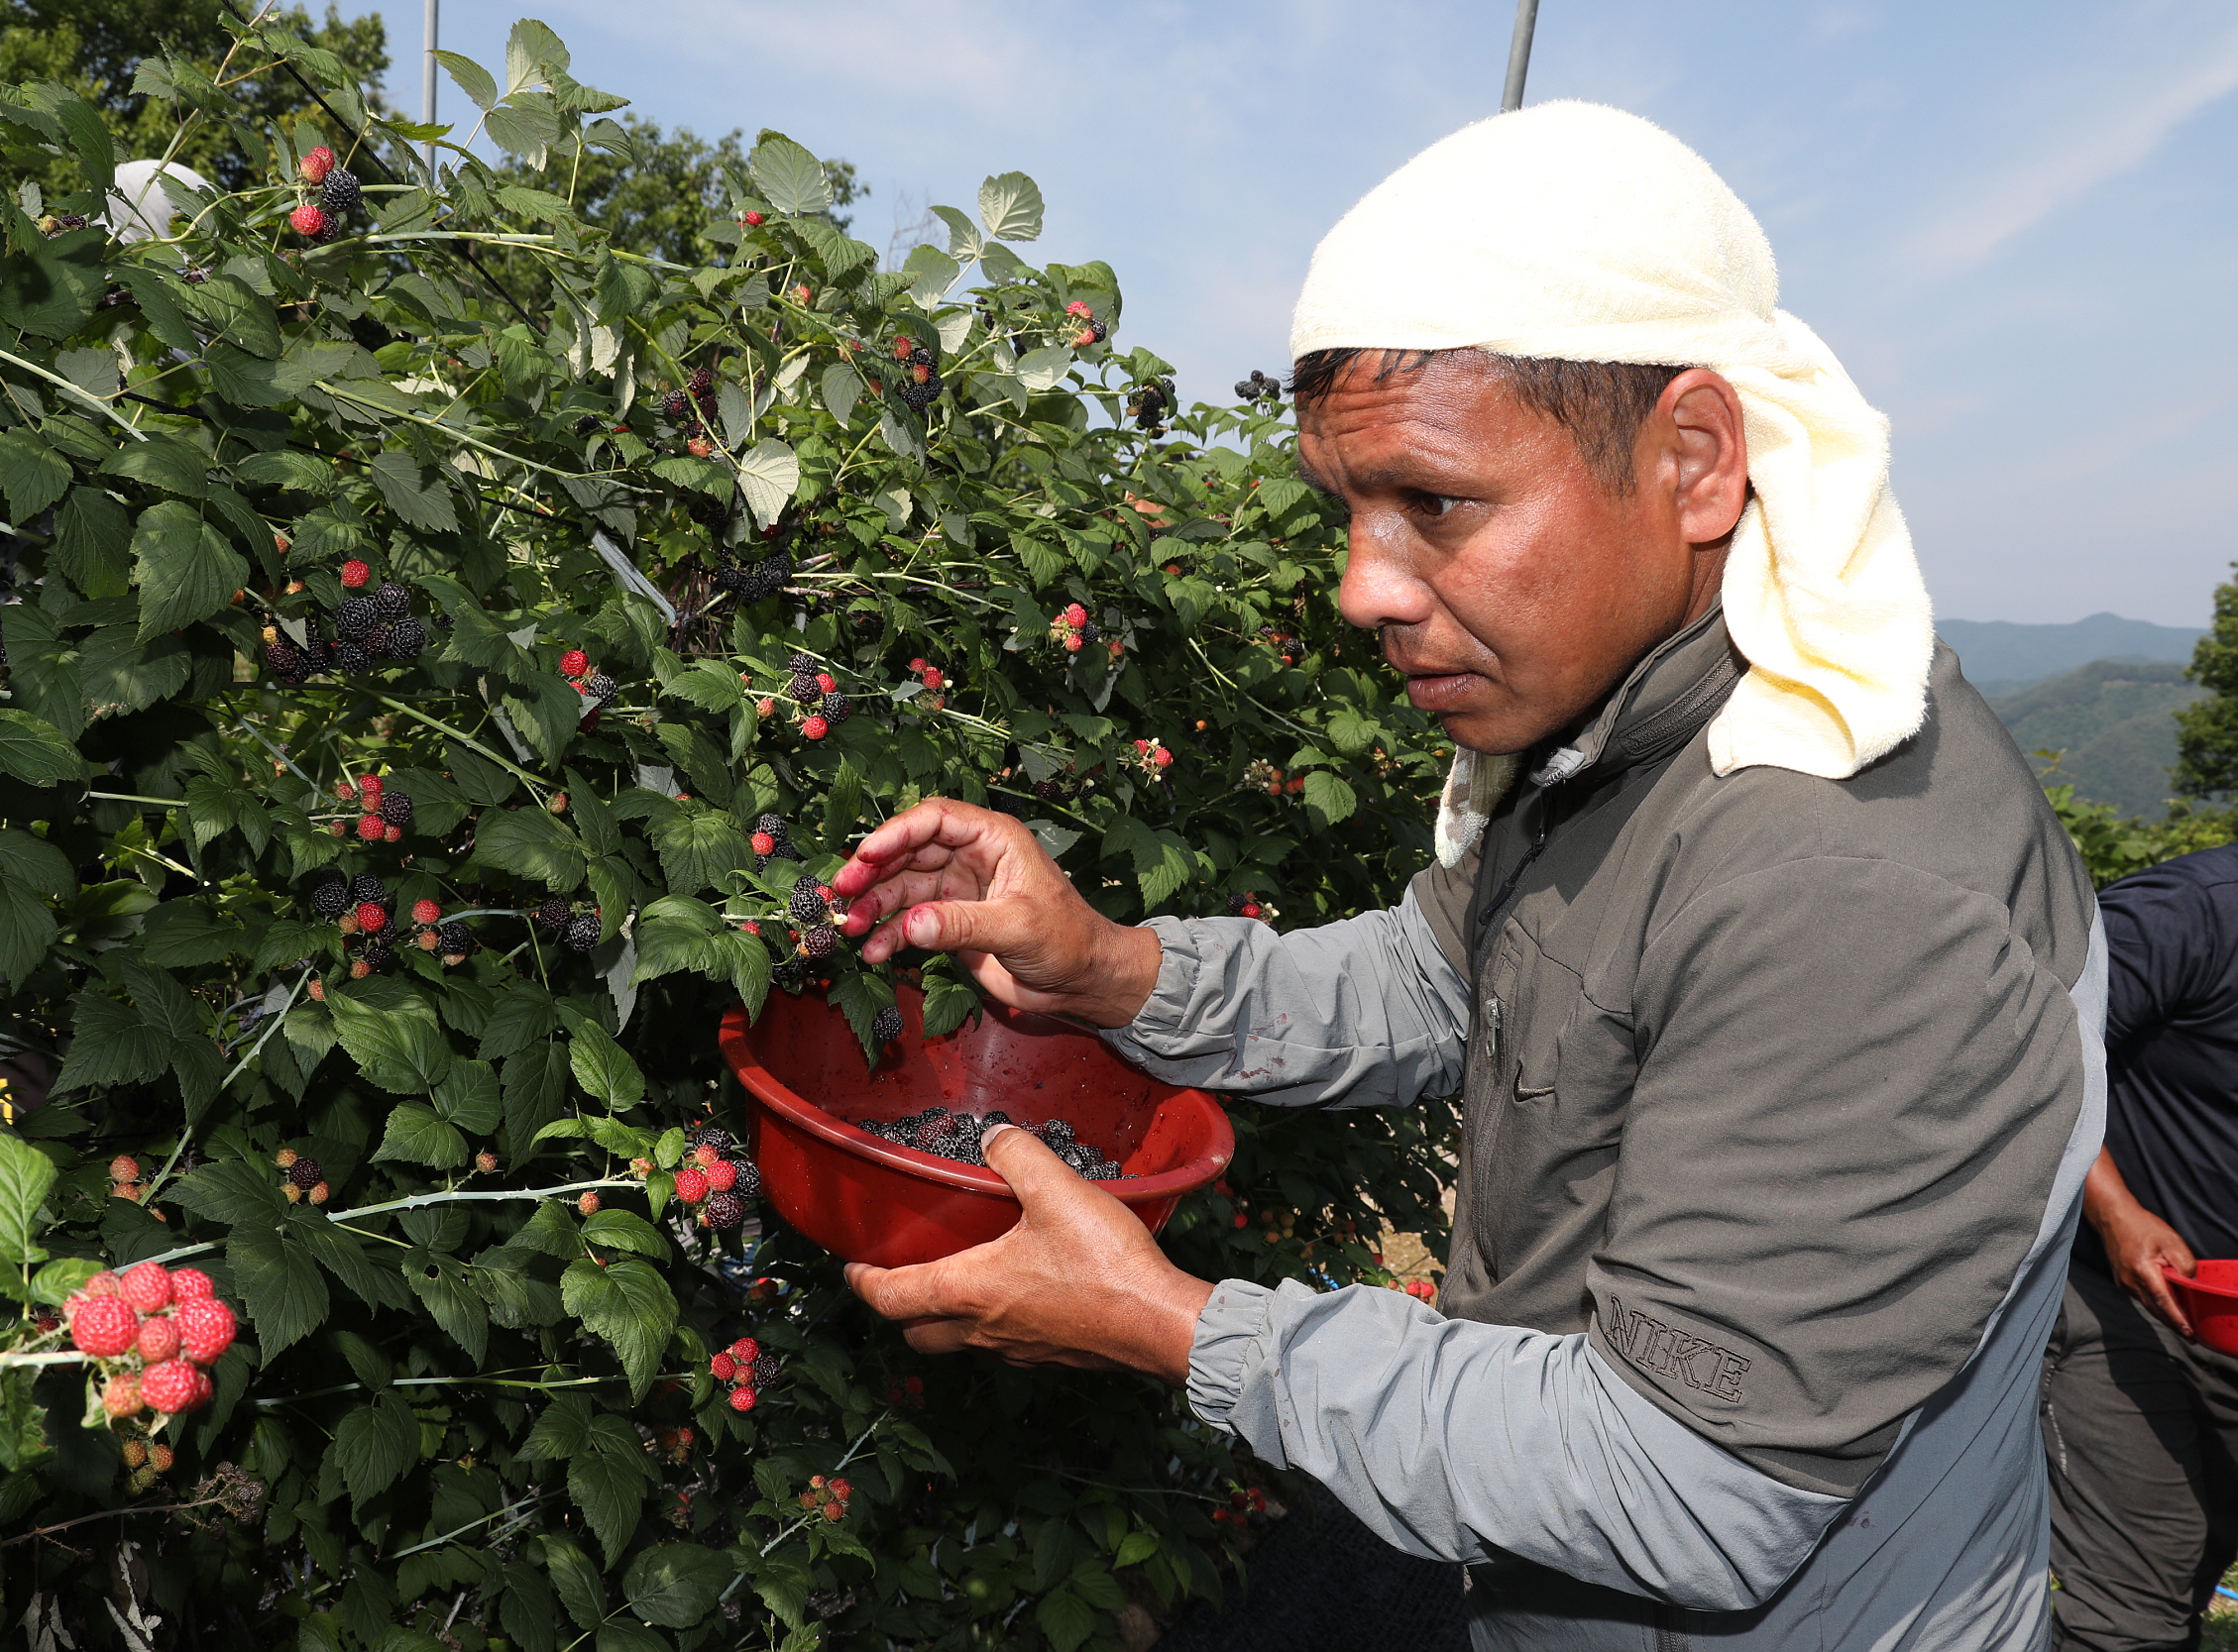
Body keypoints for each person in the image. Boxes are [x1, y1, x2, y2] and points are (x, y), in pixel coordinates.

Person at [828, 102, 2104, 1650]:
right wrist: (1108, 966)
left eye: (1435, 503)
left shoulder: (1854, 887)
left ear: (1693, 458)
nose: (1365, 585)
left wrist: (1177, 1327)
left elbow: (1690, 1479)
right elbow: (1443, 973)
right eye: (1346, 510)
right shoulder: (1625, 727)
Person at [2045, 842, 2238, 1651]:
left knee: (2197, 1555)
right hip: (2120, 1299)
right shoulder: (2194, 913)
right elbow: (2033, 1037)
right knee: (2131, 1611)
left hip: (2224, 1321)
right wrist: (2116, 1208)